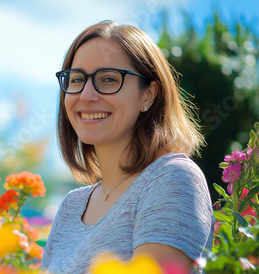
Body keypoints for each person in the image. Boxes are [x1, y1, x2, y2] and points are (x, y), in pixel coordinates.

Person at [41, 21, 214, 273]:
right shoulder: (71, 205)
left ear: (148, 95)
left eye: (109, 79)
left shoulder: (171, 178)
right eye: (77, 79)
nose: (86, 95)